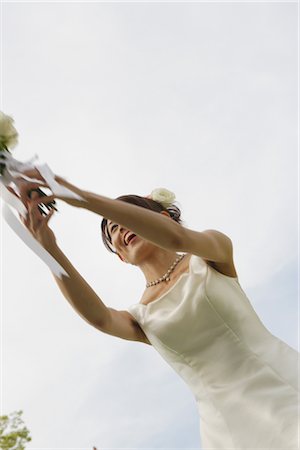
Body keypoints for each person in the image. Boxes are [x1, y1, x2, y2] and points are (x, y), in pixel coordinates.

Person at [9, 171, 299, 449]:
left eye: (125, 219)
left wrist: (78, 196)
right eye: (113, 230)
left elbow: (177, 239)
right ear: (121, 256)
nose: (120, 228)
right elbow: (99, 317)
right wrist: (48, 249)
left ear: (160, 219)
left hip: (283, 388)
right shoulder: (141, 317)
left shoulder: (212, 253)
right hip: (227, 429)